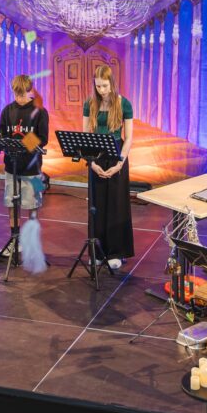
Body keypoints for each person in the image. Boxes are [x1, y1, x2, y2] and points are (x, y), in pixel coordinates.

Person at [82, 65, 134, 269]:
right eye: (98, 86)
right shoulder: (89, 103)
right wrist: (92, 163)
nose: (101, 90)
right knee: (96, 206)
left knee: (116, 205)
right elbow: (85, 135)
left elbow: (128, 138)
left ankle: (115, 252)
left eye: (104, 86)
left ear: (112, 83)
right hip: (96, 156)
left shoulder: (124, 104)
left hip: (116, 156)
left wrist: (120, 163)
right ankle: (97, 251)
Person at [0, 74, 49, 258]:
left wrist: (22, 144)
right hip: (11, 166)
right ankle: (15, 240)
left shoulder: (40, 111)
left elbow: (43, 138)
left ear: (30, 91)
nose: (19, 98)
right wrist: (5, 143)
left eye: (22, 95)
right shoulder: (7, 110)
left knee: (33, 204)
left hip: (32, 168)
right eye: (16, 94)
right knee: (12, 203)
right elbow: (2, 134)